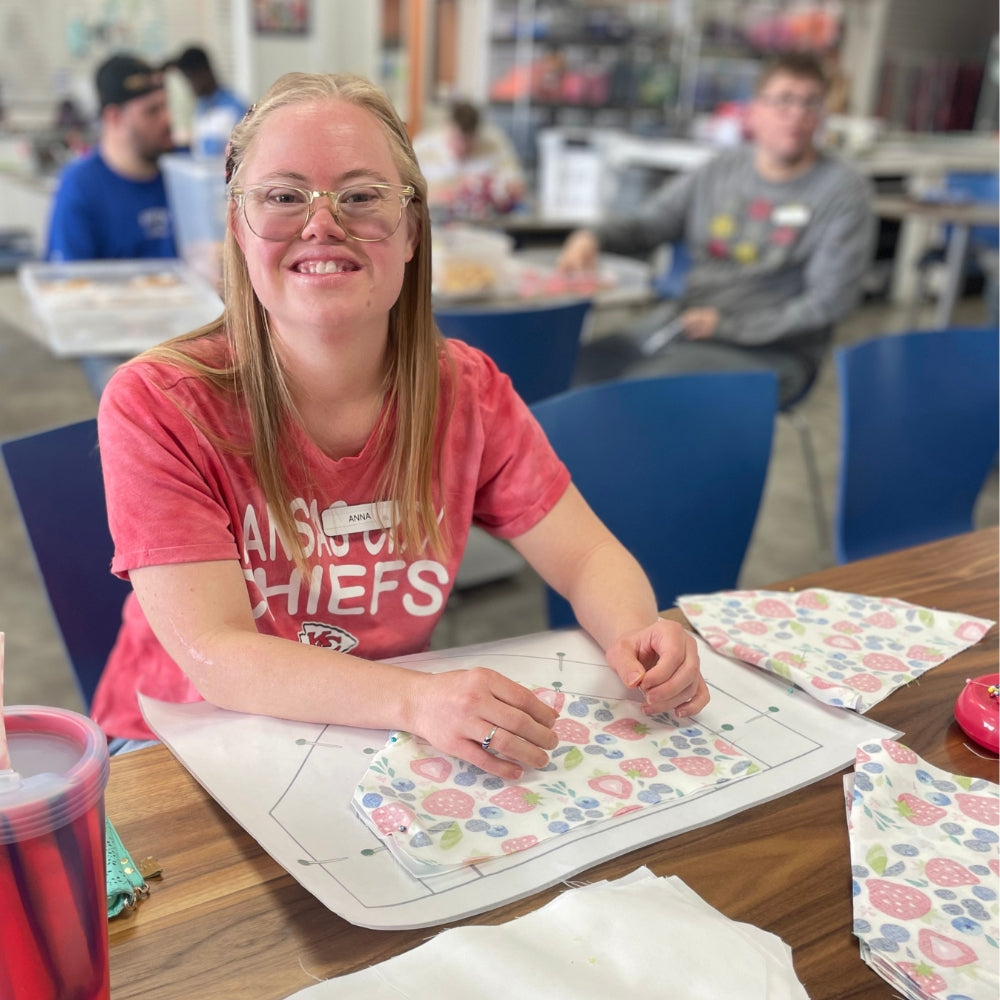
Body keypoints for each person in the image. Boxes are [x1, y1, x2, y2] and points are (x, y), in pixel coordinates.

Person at [94, 72, 708, 777]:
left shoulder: (465, 391)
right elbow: (219, 656)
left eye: (360, 197)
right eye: (285, 197)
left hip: (365, 730)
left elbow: (586, 556)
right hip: (176, 745)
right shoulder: (158, 402)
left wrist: (638, 632)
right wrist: (418, 702)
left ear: (412, 231)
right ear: (238, 226)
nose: (323, 223)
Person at [558, 51, 875, 408]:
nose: (798, 114)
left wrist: (727, 326)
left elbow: (829, 302)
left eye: (811, 103)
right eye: (784, 100)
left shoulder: (843, 191)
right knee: (572, 370)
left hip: (774, 351)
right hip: (686, 322)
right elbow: (650, 223)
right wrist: (591, 236)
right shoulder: (721, 170)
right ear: (755, 109)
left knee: (639, 393)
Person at [46, 53, 176, 261]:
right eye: (152, 111)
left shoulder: (180, 178)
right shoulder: (81, 187)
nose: (167, 119)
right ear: (114, 117)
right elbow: (70, 283)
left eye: (165, 106)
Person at [412, 99, 526, 222]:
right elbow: (408, 195)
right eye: (457, 139)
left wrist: (490, 187)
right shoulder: (422, 148)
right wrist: (456, 190)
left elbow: (518, 189)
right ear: (448, 126)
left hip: (486, 225)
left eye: (468, 140)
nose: (462, 147)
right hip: (435, 224)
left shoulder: (494, 144)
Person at [167, 45, 248, 159]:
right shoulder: (200, 107)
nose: (189, 86)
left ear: (204, 72)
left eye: (190, 78)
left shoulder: (234, 109)